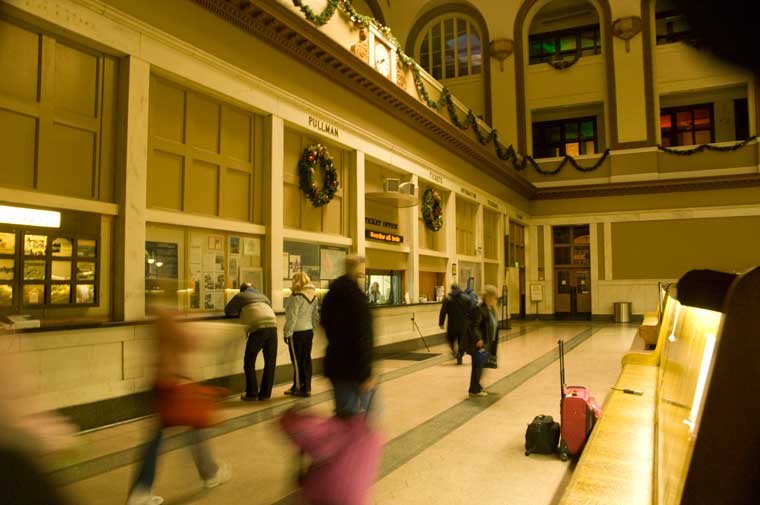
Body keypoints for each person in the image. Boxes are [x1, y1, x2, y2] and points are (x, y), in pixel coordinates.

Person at [127, 313, 230, 505]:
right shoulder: (170, 320)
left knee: (162, 437)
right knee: (193, 427)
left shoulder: (160, 319)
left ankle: (141, 490)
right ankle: (210, 473)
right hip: (174, 386)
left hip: (160, 384)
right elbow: (190, 342)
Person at [320, 255, 376, 417]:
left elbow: (324, 324)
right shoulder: (356, 297)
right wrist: (366, 373)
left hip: (336, 364)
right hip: (356, 367)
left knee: (345, 413)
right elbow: (363, 336)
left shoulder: (331, 294)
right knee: (364, 415)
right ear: (358, 270)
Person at [224, 283, 278, 401]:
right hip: (273, 326)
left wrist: (241, 311)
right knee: (270, 362)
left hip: (258, 327)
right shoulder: (263, 297)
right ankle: (265, 394)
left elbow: (228, 310)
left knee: (249, 361)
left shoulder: (241, 296)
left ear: (242, 290)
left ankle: (252, 393)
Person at [284, 272, 320, 397]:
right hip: (308, 331)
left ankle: (299, 387)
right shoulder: (314, 296)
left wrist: (287, 332)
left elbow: (292, 317)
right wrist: (312, 329)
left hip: (297, 332)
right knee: (306, 359)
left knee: (297, 360)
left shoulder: (296, 296)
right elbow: (315, 316)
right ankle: (306, 386)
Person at [467, 285, 500, 397]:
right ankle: (474, 390)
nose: (495, 299)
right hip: (480, 343)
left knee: (480, 365)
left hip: (488, 342)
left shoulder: (491, 309)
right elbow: (474, 325)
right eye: (494, 297)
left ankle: (476, 386)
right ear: (488, 297)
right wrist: (479, 338)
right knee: (477, 366)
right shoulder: (479, 308)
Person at [439, 283, 473, 365]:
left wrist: (441, 323)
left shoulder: (447, 299)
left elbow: (443, 312)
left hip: (452, 324)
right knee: (463, 342)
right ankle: (460, 354)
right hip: (463, 324)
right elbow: (471, 311)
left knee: (450, 339)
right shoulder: (467, 298)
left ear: (452, 289)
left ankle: (454, 351)